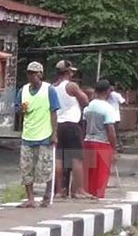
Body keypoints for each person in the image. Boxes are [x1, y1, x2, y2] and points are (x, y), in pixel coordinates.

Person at [16, 62, 60, 208]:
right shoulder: (23, 91)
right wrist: (21, 110)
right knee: (26, 169)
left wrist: (54, 133)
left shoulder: (49, 90)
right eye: (29, 73)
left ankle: (48, 195)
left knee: (45, 167)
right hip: (28, 135)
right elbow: (17, 110)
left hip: (44, 135)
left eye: (35, 73)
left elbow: (54, 112)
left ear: (41, 74)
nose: (32, 76)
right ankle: (30, 198)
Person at [52, 60, 88, 199]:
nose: (73, 73)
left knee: (59, 158)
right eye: (71, 71)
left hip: (58, 125)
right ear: (67, 72)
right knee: (76, 158)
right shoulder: (71, 86)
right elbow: (85, 101)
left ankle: (59, 190)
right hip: (72, 125)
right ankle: (78, 190)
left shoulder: (52, 87)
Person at [82, 80, 120, 199]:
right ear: (107, 91)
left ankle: (87, 195)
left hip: (87, 141)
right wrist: (114, 148)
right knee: (100, 175)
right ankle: (98, 197)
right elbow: (110, 130)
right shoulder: (107, 108)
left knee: (88, 174)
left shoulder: (88, 106)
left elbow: (84, 125)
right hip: (102, 144)